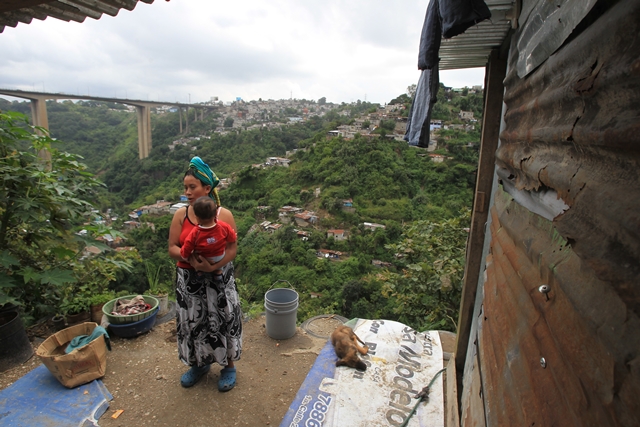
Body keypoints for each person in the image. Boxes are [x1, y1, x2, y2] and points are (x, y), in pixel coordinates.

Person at [168, 156, 242, 391]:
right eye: (185, 187)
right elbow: (172, 248)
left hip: (218, 278)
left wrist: (211, 266)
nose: (187, 192)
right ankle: (198, 364)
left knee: (222, 320)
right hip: (190, 281)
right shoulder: (181, 215)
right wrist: (189, 258)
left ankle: (228, 366)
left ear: (207, 188)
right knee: (194, 322)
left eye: (193, 187)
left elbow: (232, 248)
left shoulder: (224, 215)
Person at [180, 196, 237, 274]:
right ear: (216, 214)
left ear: (197, 218)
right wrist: (233, 237)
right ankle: (218, 272)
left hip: (204, 257)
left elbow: (188, 245)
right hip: (220, 256)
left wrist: (185, 256)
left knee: (199, 261)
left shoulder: (196, 232)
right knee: (218, 266)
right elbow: (232, 237)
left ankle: (200, 272)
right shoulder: (223, 226)